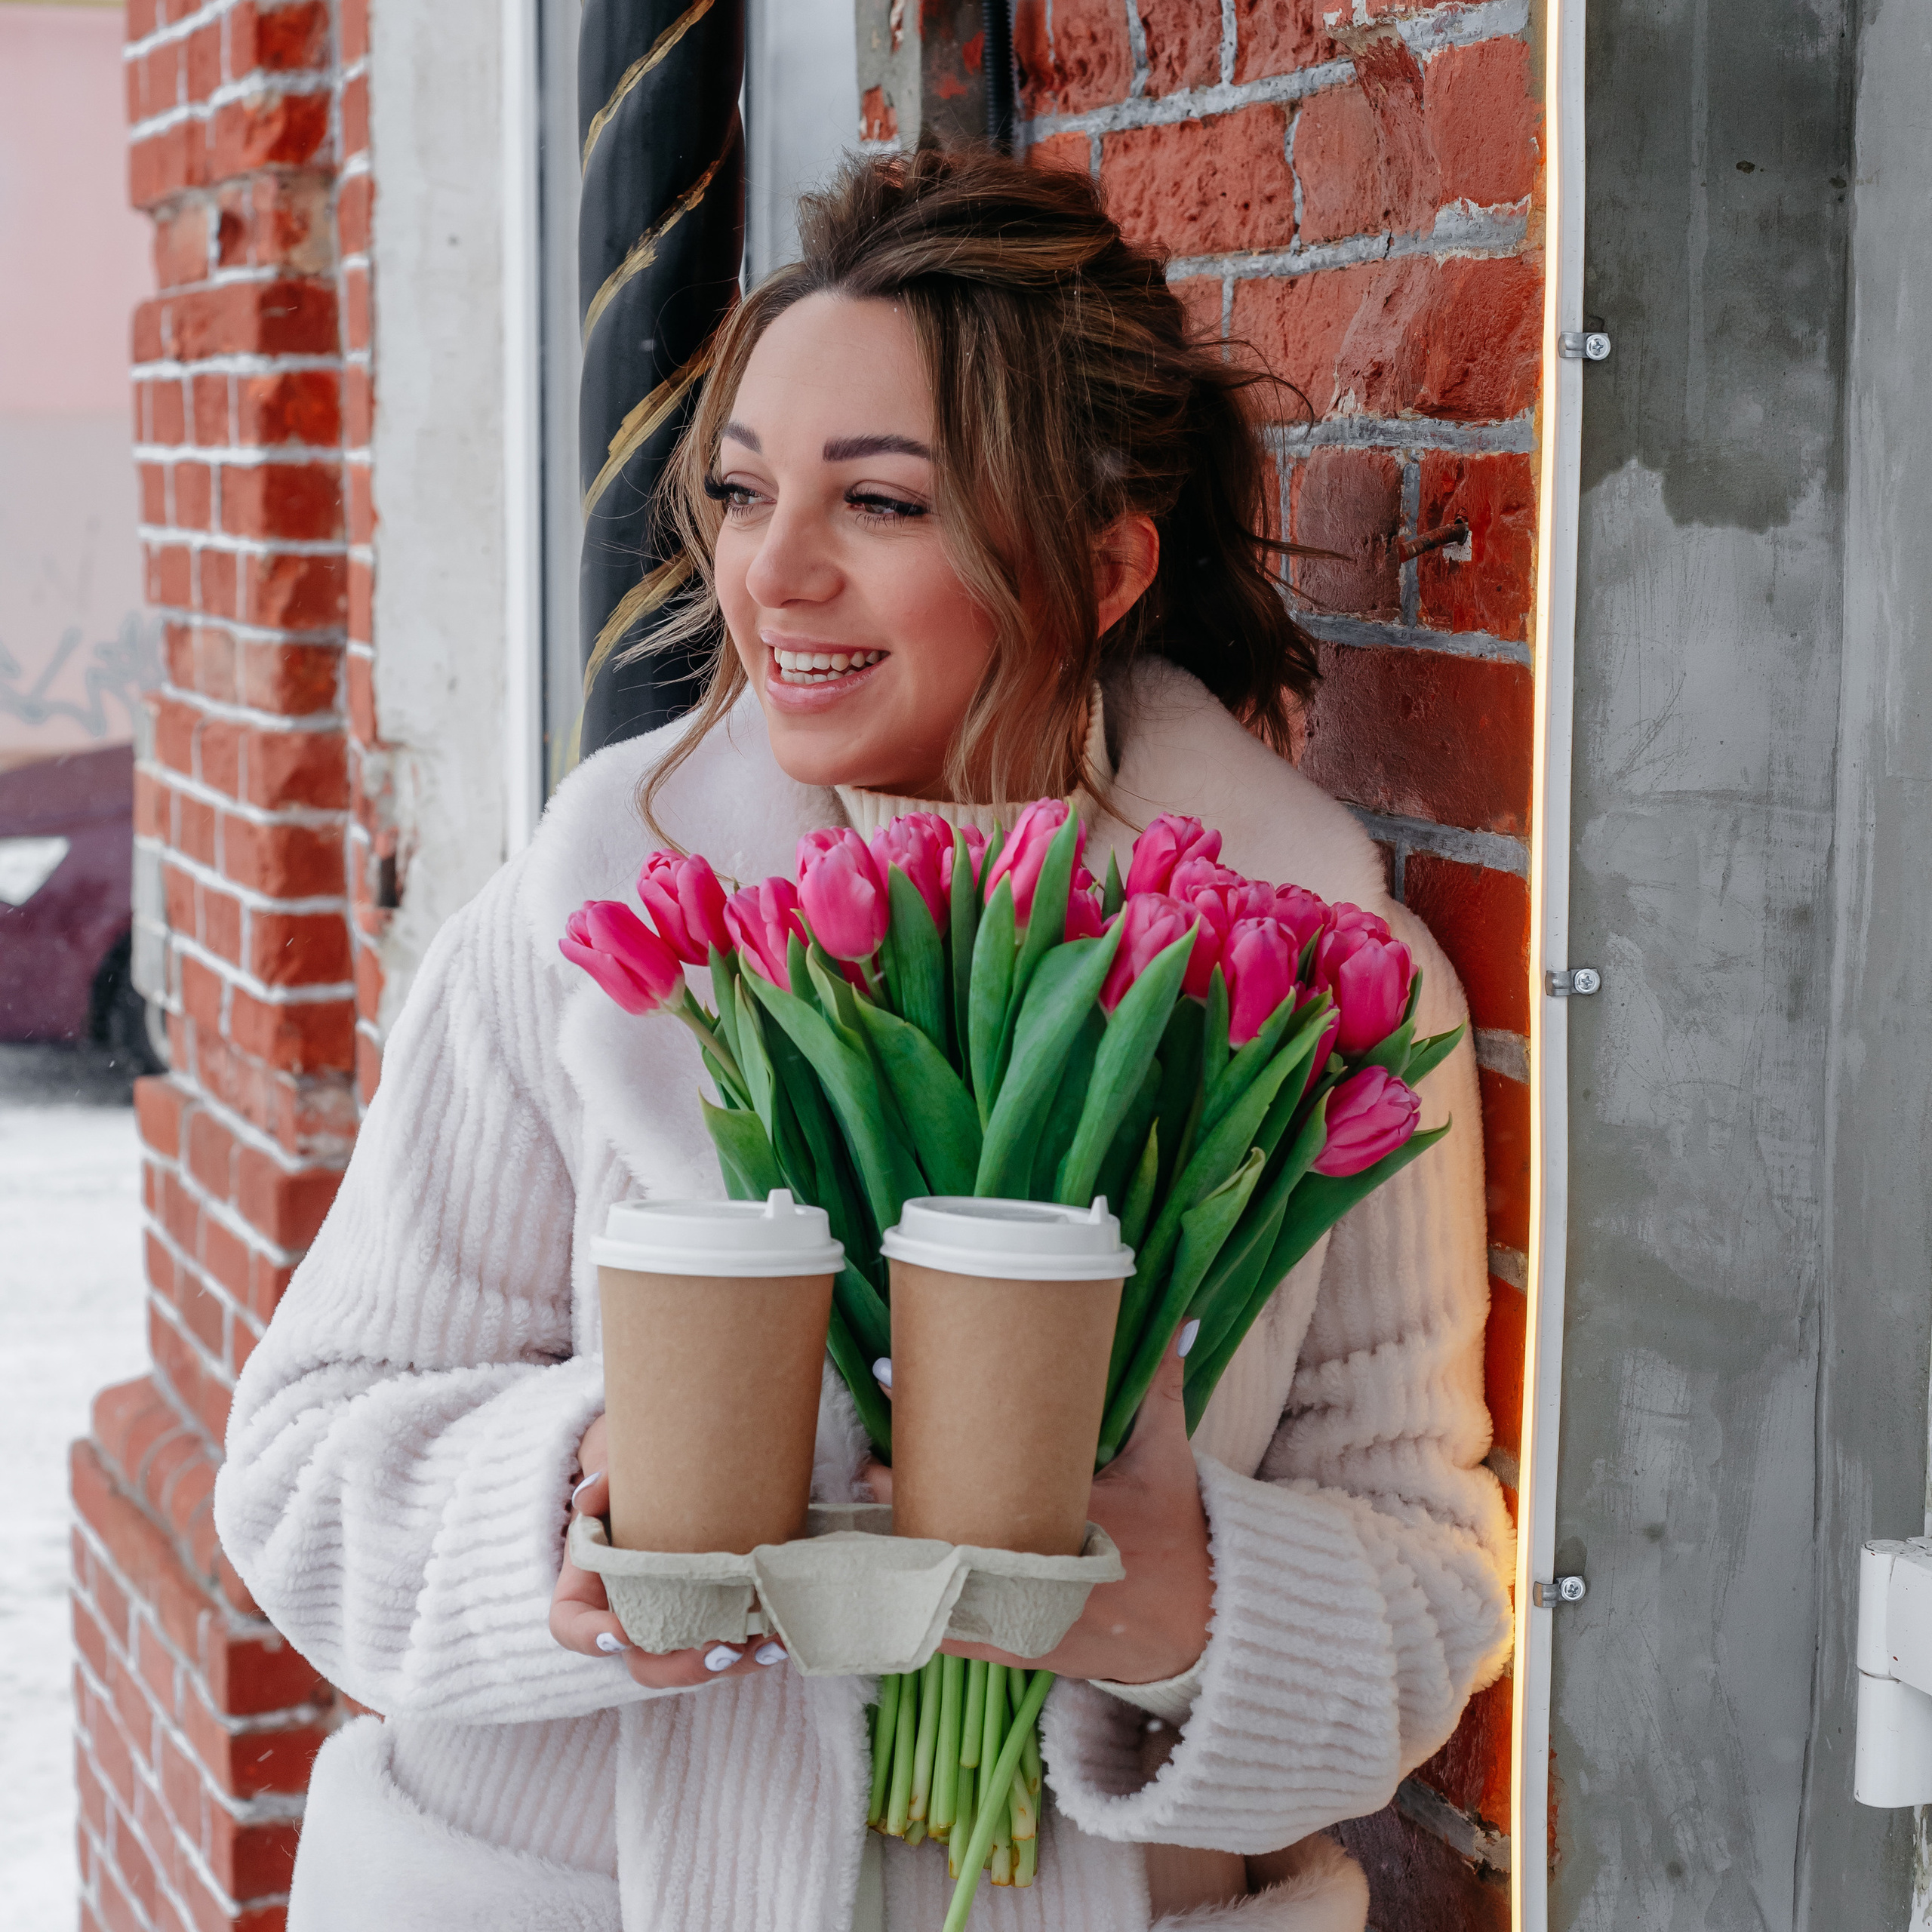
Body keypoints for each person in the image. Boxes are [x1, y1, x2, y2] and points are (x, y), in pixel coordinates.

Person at [214, 143, 1512, 1932]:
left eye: (880, 504)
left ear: (1103, 558)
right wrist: (580, 1518)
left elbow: (1431, 1572)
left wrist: (1184, 1597)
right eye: (744, 496)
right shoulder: (592, 920)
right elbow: (298, 1467)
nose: (773, 577)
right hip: (571, 1889)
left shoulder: (1306, 984)